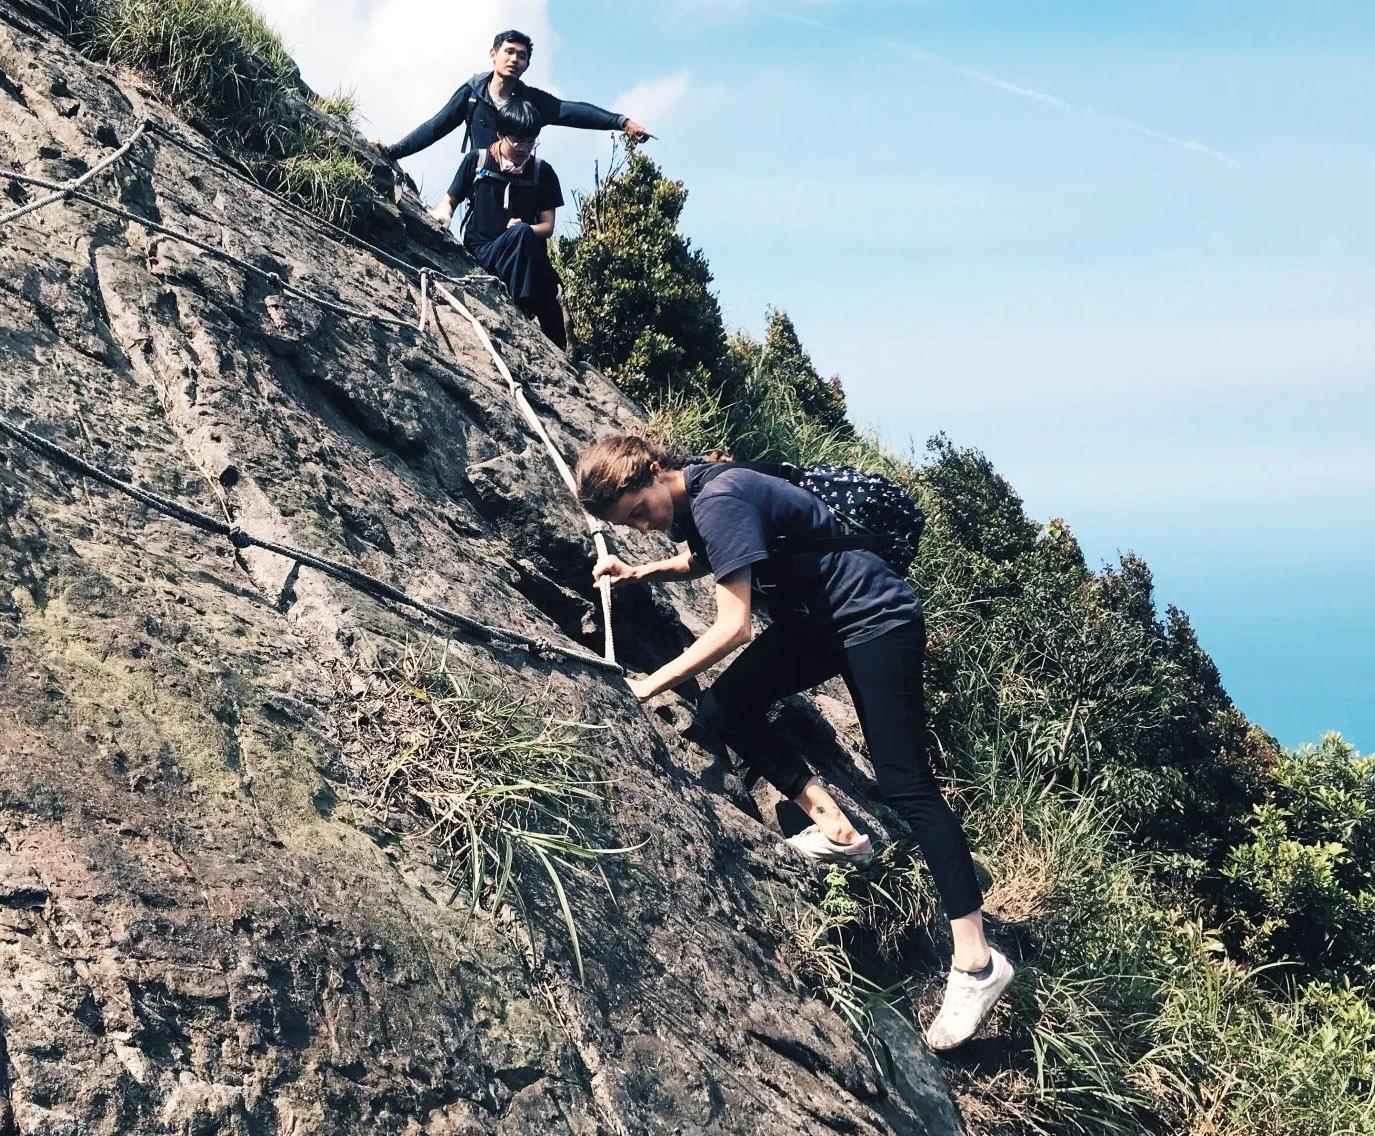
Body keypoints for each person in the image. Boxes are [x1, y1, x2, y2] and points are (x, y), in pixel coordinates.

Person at [576, 433, 1015, 1052]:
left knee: (906, 784)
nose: (645, 526)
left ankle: (976, 962)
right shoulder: (699, 495)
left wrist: (648, 686)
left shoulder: (718, 496)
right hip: (819, 623)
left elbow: (733, 626)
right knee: (728, 707)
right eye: (630, 525)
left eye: (640, 512)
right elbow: (715, 555)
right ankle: (839, 831)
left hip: (872, 618)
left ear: (652, 470)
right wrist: (642, 568)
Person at [372, 29, 655, 162]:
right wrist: (394, 152)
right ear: (493, 54)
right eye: (509, 52)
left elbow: (572, 111)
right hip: (481, 184)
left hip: (520, 187)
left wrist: (621, 122)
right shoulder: (472, 94)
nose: (514, 59)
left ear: (527, 65)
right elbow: (436, 127)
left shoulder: (531, 101)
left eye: (522, 56)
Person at [434, 98, 570, 347]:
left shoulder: (543, 172)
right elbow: (450, 202)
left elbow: (547, 227)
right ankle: (520, 311)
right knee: (522, 240)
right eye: (517, 140)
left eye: (530, 141)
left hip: (524, 253)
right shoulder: (478, 160)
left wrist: (524, 228)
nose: (523, 147)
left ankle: (560, 351)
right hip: (483, 251)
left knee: (547, 285)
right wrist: (442, 218)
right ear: (500, 134)